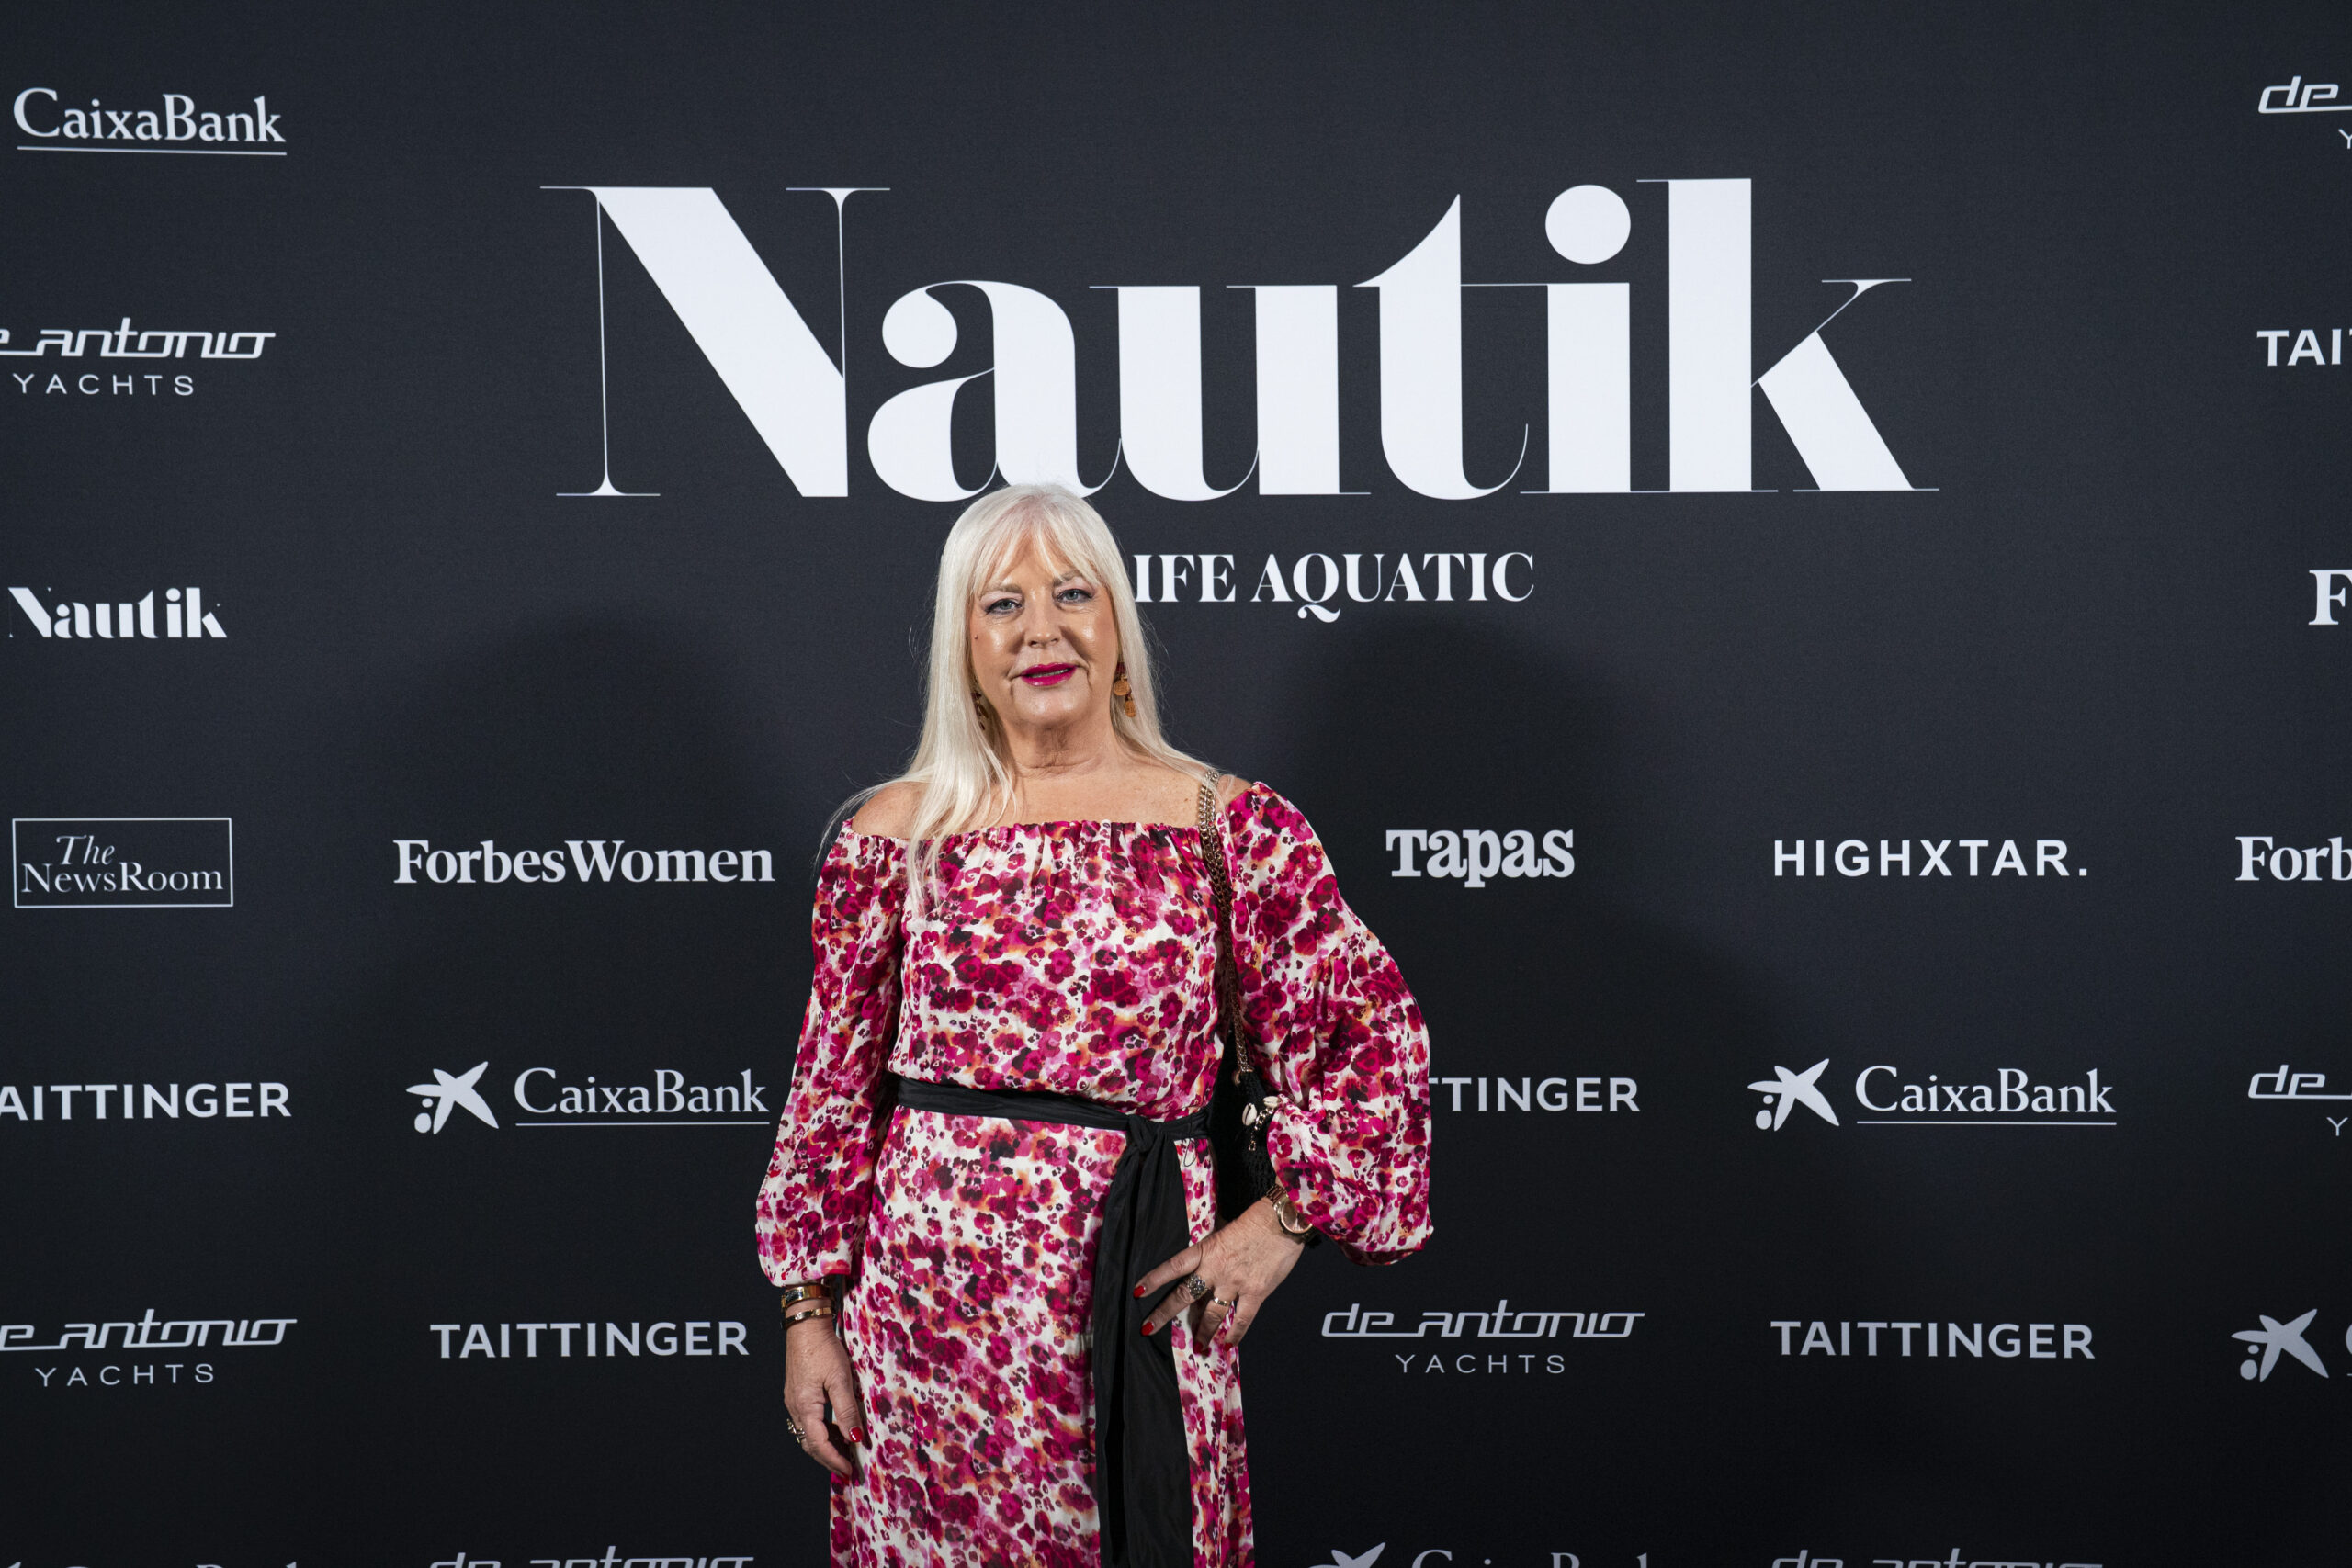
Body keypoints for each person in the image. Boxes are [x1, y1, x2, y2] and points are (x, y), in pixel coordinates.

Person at [755, 482, 1431, 1567]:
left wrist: (1282, 1220)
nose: (1042, 630)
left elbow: (1375, 1044)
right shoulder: (893, 836)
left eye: (1071, 594)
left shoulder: (1228, 827)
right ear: (964, 645)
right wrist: (807, 1316)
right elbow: (829, 1096)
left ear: (1117, 621)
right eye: (1002, 604)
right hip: (925, 1336)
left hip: (1135, 1297)